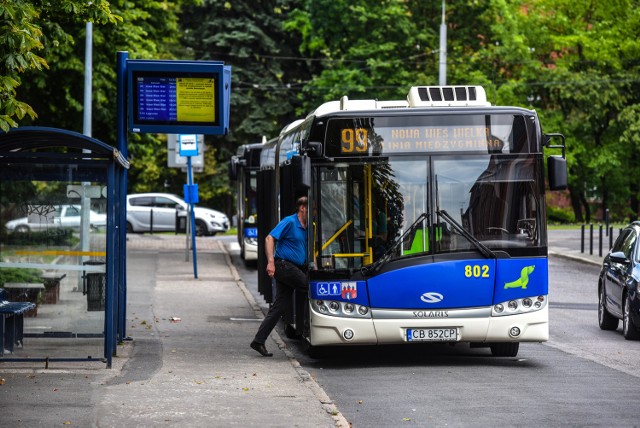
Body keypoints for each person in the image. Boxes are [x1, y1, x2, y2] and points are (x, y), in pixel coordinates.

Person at [250, 196, 308, 357]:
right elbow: (269, 238)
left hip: (295, 267)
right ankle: (305, 330)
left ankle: (258, 341)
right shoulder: (289, 222)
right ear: (302, 207)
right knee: (308, 287)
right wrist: (270, 262)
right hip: (283, 265)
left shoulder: (308, 226)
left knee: (279, 307)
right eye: (313, 208)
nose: (315, 212)